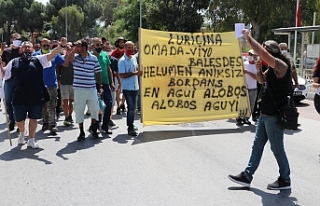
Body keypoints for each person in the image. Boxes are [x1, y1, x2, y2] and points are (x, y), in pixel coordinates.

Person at [228, 29, 293, 190]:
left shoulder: (281, 65)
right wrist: (258, 70)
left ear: (271, 53)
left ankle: (285, 179)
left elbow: (262, 53)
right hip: (265, 114)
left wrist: (248, 37)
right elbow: (262, 80)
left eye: (265, 52)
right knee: (257, 146)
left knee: (277, 148)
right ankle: (247, 176)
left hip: (274, 116)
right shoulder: (271, 69)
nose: (260, 57)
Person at [0, 39, 68, 148]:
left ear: (32, 49)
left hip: (35, 94)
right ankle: (22, 132)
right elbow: (4, 74)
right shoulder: (14, 62)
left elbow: (51, 55)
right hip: (18, 95)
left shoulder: (38, 59)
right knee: (19, 120)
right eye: (24, 47)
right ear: (21, 50)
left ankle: (31, 139)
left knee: (34, 118)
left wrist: (61, 46)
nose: (27, 48)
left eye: (29, 47)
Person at [63, 40, 102, 141]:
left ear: (84, 47)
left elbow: (98, 72)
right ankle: (81, 132)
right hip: (79, 89)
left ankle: (93, 127)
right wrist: (75, 49)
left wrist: (100, 86)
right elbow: (66, 63)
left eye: (79, 46)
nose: (76, 48)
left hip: (91, 88)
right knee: (79, 111)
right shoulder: (75, 58)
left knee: (94, 109)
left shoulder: (93, 58)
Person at [33, 38, 65, 135]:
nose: (46, 47)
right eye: (44, 45)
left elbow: (64, 63)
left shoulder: (54, 54)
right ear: (40, 46)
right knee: (43, 105)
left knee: (52, 104)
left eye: (48, 45)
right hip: (40, 84)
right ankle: (45, 122)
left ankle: (52, 124)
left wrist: (69, 53)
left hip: (52, 83)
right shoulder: (36, 55)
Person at [118, 41, 142, 136]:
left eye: (131, 48)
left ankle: (131, 124)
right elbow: (122, 75)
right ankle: (130, 127)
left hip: (135, 87)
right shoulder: (122, 61)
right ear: (124, 48)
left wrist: (138, 72)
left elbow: (137, 69)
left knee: (134, 108)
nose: (130, 50)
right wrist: (135, 73)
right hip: (127, 88)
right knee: (131, 108)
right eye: (128, 47)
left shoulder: (134, 59)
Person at [91, 37, 114, 134]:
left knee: (109, 104)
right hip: (94, 84)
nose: (100, 46)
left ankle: (105, 125)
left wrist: (111, 81)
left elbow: (109, 69)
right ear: (93, 46)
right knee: (96, 106)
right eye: (97, 45)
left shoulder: (105, 55)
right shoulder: (90, 56)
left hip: (105, 83)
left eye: (101, 44)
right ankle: (95, 125)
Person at [2, 33, 22, 131]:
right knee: (8, 101)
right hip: (9, 81)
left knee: (18, 102)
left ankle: (20, 122)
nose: (17, 40)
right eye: (15, 39)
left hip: (20, 81)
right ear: (11, 40)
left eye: (19, 39)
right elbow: (3, 66)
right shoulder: (6, 52)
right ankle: (12, 120)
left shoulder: (22, 51)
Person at [236, 49, 258, 126]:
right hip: (244, 88)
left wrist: (248, 72)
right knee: (242, 104)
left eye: (252, 55)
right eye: (250, 54)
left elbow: (257, 78)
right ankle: (239, 118)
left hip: (253, 88)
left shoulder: (257, 66)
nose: (251, 56)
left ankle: (246, 118)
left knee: (251, 105)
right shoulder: (244, 64)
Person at [56, 42, 74, 126]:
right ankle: (66, 117)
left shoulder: (76, 59)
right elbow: (57, 70)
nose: (69, 50)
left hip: (74, 83)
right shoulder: (61, 58)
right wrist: (58, 79)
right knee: (65, 101)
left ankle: (70, 115)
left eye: (70, 48)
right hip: (64, 83)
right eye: (67, 48)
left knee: (72, 101)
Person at [111, 37, 127, 113]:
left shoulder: (126, 52)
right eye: (120, 42)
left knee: (126, 90)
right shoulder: (114, 53)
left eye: (123, 42)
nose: (122, 43)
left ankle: (122, 103)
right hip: (117, 74)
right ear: (117, 43)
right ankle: (118, 106)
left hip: (125, 73)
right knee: (118, 90)